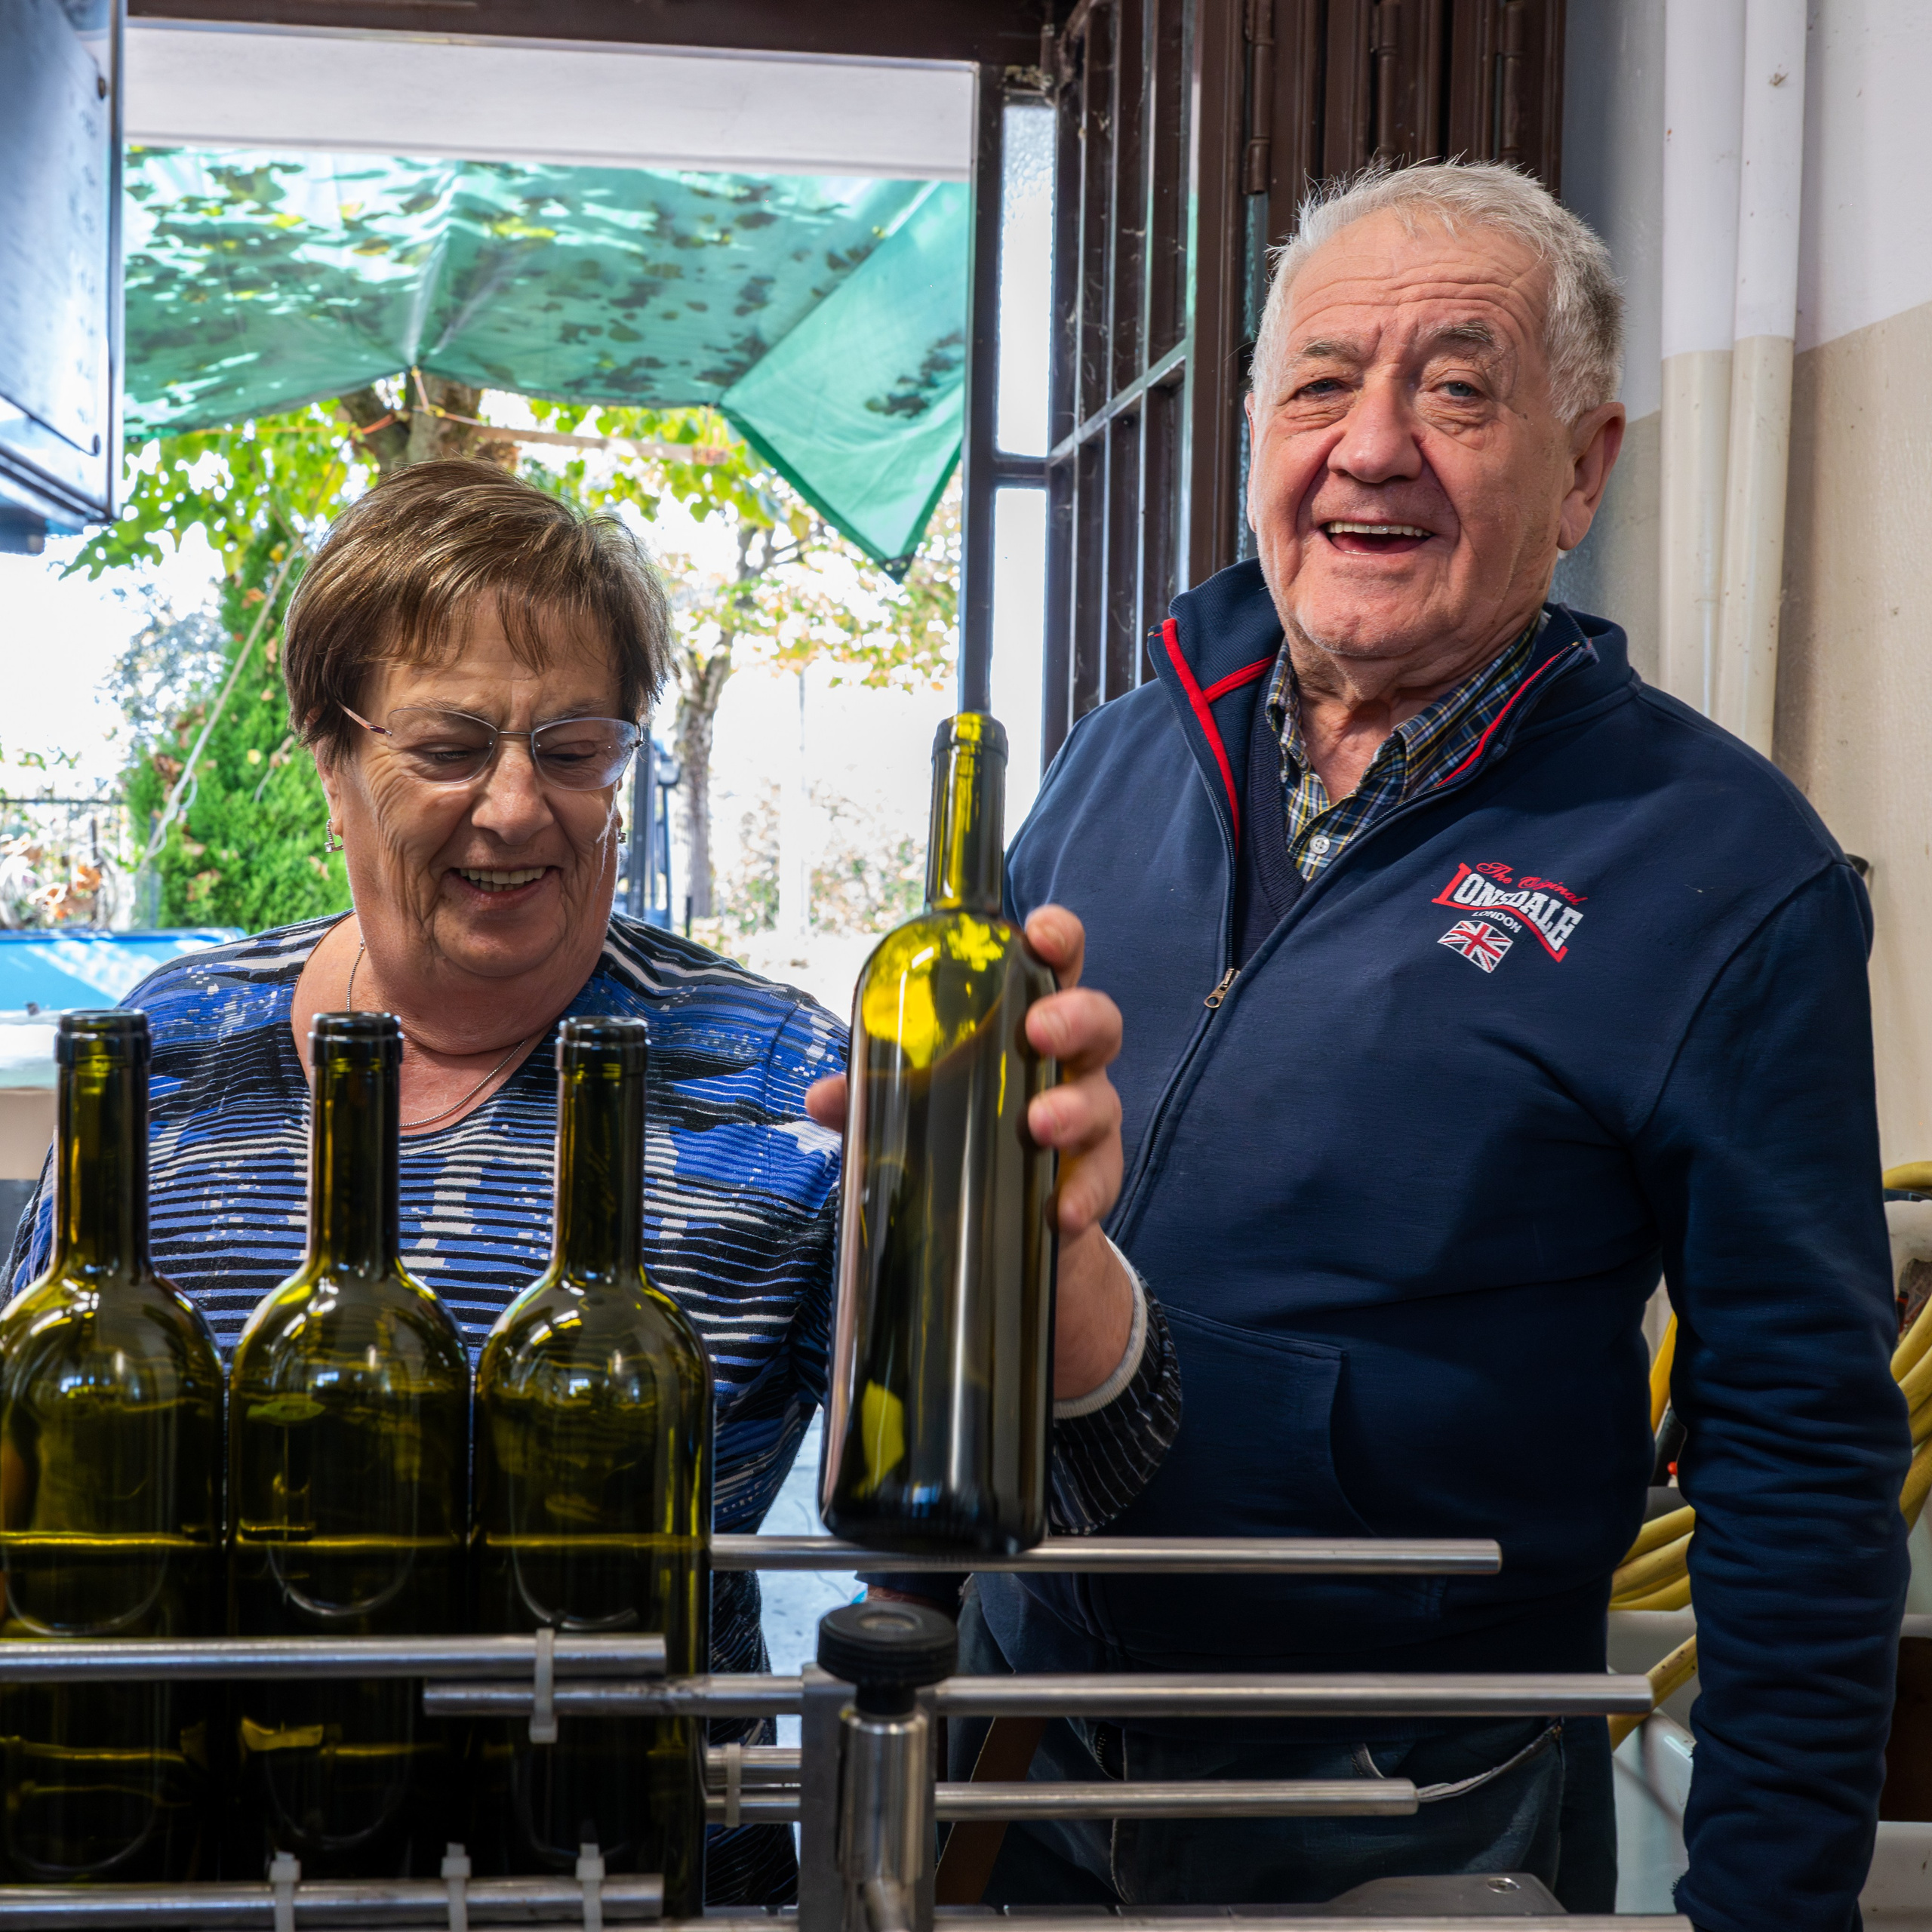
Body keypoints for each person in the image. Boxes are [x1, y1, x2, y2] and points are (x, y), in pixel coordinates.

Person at [3, 460, 1178, 1903]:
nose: (517, 808)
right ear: (330, 757)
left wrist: (1048, 1255)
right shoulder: (173, 1058)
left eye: (574, 752)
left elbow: (1090, 1490)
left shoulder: (781, 1083)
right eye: (449, 748)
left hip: (633, 1867)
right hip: (202, 1866)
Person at [957, 162, 1909, 1930]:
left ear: (1582, 470)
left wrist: (1772, 1904)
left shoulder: (1717, 866)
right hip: (1022, 1744)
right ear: (1255, 434)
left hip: (1393, 1796)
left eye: (1457, 387)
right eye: (1319, 383)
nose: (1371, 444)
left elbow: (1797, 1449)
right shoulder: (1113, 759)